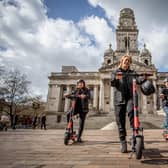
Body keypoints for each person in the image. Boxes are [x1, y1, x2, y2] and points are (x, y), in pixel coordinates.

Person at [111, 55, 146, 153]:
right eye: (125, 60)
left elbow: (138, 80)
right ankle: (123, 142)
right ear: (121, 61)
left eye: (129, 61)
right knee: (120, 121)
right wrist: (116, 78)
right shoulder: (115, 72)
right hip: (119, 99)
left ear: (130, 63)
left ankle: (135, 133)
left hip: (130, 97)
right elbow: (112, 83)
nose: (127, 62)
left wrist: (143, 78)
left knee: (132, 112)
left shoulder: (133, 72)